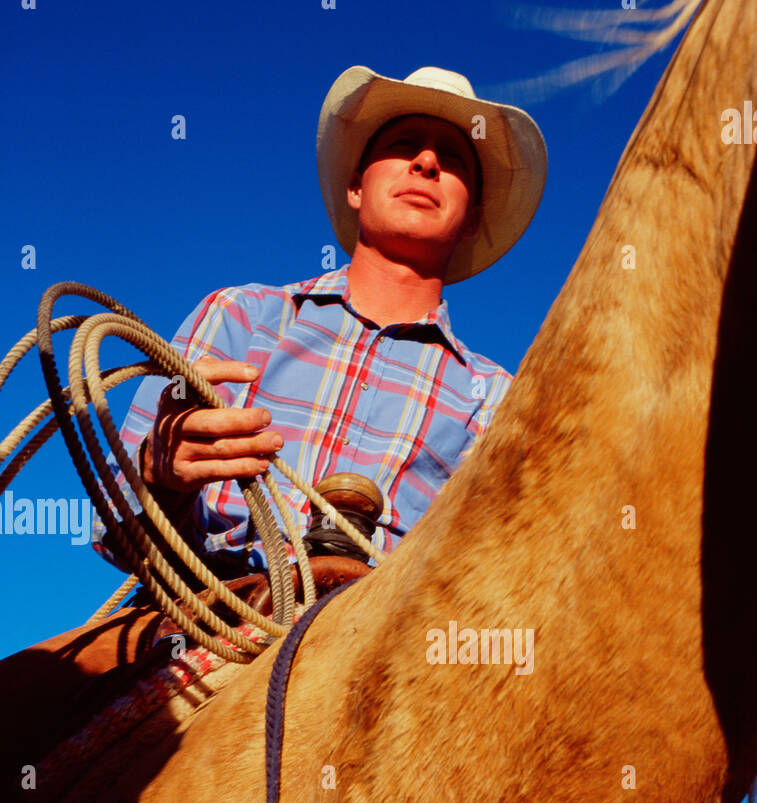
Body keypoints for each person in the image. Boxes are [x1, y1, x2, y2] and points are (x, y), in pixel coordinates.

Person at [93, 66, 547, 577]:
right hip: (204, 614)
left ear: (471, 221)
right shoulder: (241, 316)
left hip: (385, 646)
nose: (425, 162)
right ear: (356, 187)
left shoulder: (495, 402)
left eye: (453, 158)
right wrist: (160, 478)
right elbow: (113, 532)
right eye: (403, 144)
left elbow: (492, 578)